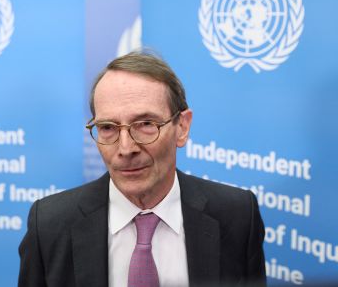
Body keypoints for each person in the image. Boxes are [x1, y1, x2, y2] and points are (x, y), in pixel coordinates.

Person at [18, 51, 266, 287]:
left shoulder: (238, 216)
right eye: (107, 128)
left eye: (146, 124)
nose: (126, 148)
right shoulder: (49, 226)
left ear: (182, 127)